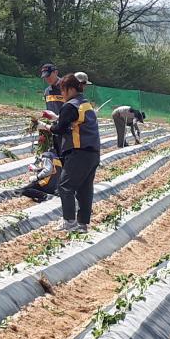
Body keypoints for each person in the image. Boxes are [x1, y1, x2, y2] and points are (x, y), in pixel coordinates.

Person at [43, 73, 101, 232]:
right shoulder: (85, 104)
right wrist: (58, 118)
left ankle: (69, 221)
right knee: (85, 188)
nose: (61, 94)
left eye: (62, 91)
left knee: (65, 186)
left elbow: (60, 129)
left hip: (79, 152)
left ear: (69, 89)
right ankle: (83, 224)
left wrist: (46, 127)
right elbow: (72, 122)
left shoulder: (71, 105)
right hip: (93, 153)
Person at [40, 63, 64, 155]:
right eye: (45, 77)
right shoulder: (47, 91)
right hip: (52, 128)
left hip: (65, 128)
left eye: (49, 76)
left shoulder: (65, 88)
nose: (47, 79)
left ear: (56, 72)